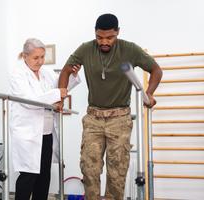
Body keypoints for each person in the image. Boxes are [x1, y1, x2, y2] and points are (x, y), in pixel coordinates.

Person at [58, 14, 163, 200]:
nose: (104, 41)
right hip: (93, 118)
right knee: (89, 170)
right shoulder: (86, 49)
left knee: (117, 173)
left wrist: (150, 93)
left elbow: (156, 70)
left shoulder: (129, 49)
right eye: (99, 37)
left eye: (109, 37)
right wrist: (61, 95)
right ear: (95, 34)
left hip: (119, 119)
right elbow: (66, 70)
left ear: (118, 33)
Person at [9, 38, 81, 200]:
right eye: (36, 58)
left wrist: (72, 75)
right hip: (28, 134)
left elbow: (61, 87)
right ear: (25, 56)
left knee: (44, 176)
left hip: (46, 133)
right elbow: (29, 100)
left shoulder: (46, 72)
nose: (40, 62)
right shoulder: (17, 74)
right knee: (28, 175)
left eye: (42, 57)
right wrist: (57, 94)